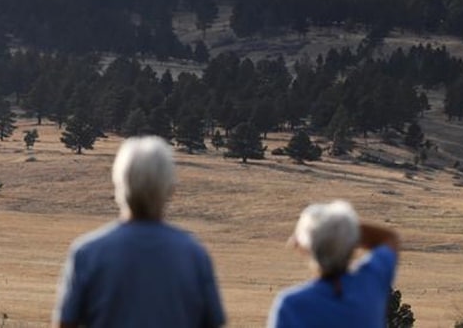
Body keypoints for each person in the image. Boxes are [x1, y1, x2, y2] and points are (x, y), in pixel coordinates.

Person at [53, 135, 226, 328]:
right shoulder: (194, 255)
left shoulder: (87, 253)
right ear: (169, 189)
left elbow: (65, 323)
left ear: (119, 183)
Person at [267, 200, 400, 328]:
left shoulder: (292, 306)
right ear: (352, 244)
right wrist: (342, 230)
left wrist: (316, 231)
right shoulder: (370, 285)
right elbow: (388, 239)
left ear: (304, 248)